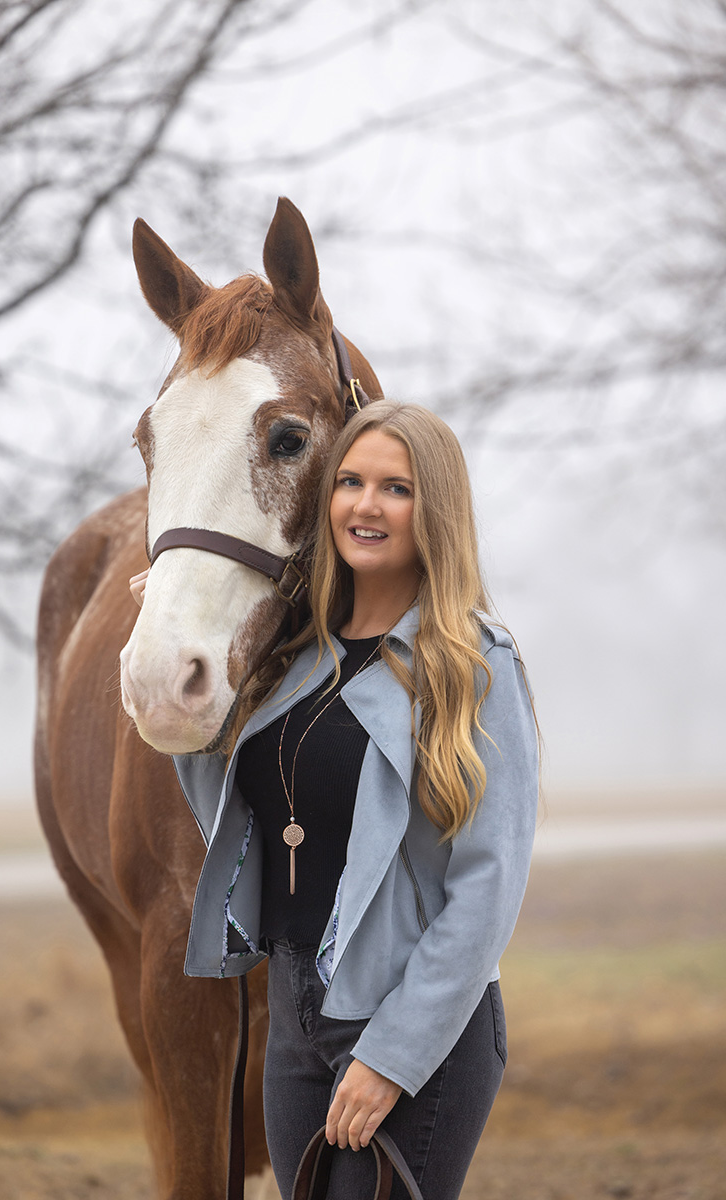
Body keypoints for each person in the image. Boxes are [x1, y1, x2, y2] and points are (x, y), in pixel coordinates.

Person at [130, 401, 539, 1199]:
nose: (365, 504)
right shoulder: (297, 659)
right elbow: (223, 791)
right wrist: (170, 615)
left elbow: (488, 888)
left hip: (411, 1024)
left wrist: (392, 1057)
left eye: (396, 487)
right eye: (350, 481)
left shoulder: (473, 663)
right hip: (295, 1022)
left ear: (437, 510)